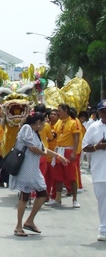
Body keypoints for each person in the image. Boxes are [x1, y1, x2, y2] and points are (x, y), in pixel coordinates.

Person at [9, 112, 68, 237]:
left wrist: (57, 156)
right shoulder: (26, 129)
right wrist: (43, 153)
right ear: (38, 122)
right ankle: (18, 226)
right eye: (44, 121)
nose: (45, 124)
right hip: (25, 168)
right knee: (25, 196)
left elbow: (42, 148)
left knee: (42, 194)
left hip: (33, 169)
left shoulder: (36, 133)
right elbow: (33, 148)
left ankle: (29, 221)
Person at [82, 99, 106, 241]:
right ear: (98, 112)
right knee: (102, 202)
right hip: (100, 172)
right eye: (103, 111)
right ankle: (103, 229)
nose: (105, 114)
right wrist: (98, 147)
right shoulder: (93, 127)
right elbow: (85, 147)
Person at [51, 103, 81, 208]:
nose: (58, 113)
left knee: (72, 176)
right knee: (58, 176)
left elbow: (76, 138)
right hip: (59, 151)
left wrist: (74, 152)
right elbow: (54, 134)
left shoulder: (73, 123)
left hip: (68, 151)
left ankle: (75, 199)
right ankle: (57, 199)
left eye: (59, 111)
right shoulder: (58, 123)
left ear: (66, 111)